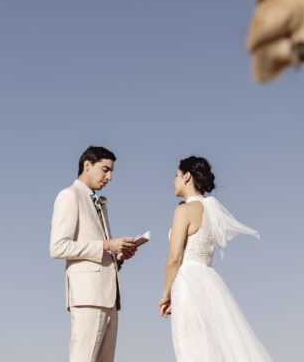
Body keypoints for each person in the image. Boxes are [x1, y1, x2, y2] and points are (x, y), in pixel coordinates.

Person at [160, 156, 272, 361]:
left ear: (187, 177)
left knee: (192, 346)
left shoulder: (183, 211)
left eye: (176, 175)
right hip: (209, 282)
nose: (173, 181)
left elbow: (175, 258)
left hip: (187, 282)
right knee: (215, 345)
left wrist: (165, 294)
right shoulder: (211, 211)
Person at [50, 146, 138, 362]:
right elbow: (58, 247)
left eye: (111, 172)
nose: (109, 177)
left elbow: (100, 248)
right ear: (87, 165)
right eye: (105, 170)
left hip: (110, 297)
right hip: (88, 296)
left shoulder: (98, 202)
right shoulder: (69, 195)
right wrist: (107, 245)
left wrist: (118, 256)